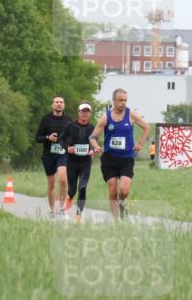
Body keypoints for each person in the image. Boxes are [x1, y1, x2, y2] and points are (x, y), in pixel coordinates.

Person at [89, 88, 150, 219]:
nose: (123, 103)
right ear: (114, 101)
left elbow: (146, 127)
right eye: (120, 100)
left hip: (126, 159)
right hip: (109, 160)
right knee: (112, 189)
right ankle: (117, 221)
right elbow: (92, 137)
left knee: (124, 190)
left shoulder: (131, 115)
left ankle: (122, 204)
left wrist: (140, 144)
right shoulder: (106, 117)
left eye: (125, 100)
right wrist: (97, 147)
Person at [60, 102, 101, 223]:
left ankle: (78, 215)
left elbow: (94, 143)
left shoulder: (92, 128)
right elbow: (61, 139)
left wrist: (93, 151)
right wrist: (67, 147)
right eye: (82, 111)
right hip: (72, 162)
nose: (84, 113)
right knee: (72, 190)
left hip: (85, 162)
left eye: (87, 111)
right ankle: (64, 210)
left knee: (82, 187)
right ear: (78, 113)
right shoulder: (70, 126)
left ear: (90, 114)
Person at [35, 96, 72, 218]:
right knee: (51, 184)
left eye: (61, 102)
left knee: (63, 179)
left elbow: (74, 136)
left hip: (63, 154)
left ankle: (62, 209)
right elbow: (37, 138)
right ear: (52, 105)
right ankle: (52, 211)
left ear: (64, 105)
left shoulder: (68, 119)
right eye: (57, 102)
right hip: (49, 155)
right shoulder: (46, 119)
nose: (59, 104)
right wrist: (48, 137)